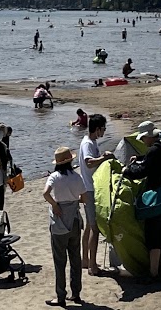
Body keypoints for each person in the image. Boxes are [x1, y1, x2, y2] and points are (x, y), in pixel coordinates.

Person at [122, 123, 161, 280]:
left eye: (143, 138)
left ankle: (153, 273)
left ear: (149, 137)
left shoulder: (153, 150)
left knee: (153, 237)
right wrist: (140, 158)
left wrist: (128, 171)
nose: (143, 141)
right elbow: (154, 163)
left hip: (156, 199)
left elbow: (143, 171)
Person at [43, 146, 90, 307]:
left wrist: (55, 205)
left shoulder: (54, 177)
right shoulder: (77, 177)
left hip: (60, 220)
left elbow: (45, 193)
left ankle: (60, 295)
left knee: (59, 261)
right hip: (74, 219)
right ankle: (76, 293)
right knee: (75, 258)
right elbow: (84, 199)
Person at [78, 114, 112, 275]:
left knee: (89, 227)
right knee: (94, 228)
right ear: (97, 129)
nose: (104, 131)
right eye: (103, 129)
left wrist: (101, 157)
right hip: (90, 190)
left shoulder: (91, 142)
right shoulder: (87, 144)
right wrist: (103, 158)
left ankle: (85, 260)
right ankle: (92, 265)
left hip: (88, 188)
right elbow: (89, 162)